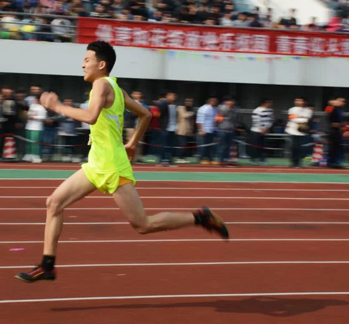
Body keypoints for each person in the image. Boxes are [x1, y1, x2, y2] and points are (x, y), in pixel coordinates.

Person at [15, 41, 229, 283]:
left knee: (143, 225)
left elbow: (91, 116)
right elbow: (145, 114)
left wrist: (57, 106)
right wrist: (133, 143)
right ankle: (47, 265)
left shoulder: (101, 84)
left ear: (101, 64)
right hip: (97, 164)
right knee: (54, 203)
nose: (83, 64)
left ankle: (201, 217)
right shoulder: (116, 88)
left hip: (112, 166)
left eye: (87, 60)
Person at [286, 97, 312, 168]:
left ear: (304, 102)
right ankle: (294, 162)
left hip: (302, 131)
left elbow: (306, 120)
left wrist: (298, 118)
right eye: (296, 100)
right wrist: (301, 118)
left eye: (300, 101)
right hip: (292, 130)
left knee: (302, 148)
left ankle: (300, 162)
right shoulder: (291, 109)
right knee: (294, 147)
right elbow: (292, 118)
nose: (297, 102)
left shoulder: (308, 110)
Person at [250, 98, 274, 165]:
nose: (271, 104)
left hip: (266, 131)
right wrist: (261, 128)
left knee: (263, 146)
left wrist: (267, 128)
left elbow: (271, 120)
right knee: (255, 145)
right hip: (256, 130)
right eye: (269, 102)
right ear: (264, 103)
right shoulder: (257, 110)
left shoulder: (270, 110)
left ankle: (262, 159)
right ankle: (253, 158)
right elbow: (256, 120)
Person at [216, 96, 239, 166]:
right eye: (230, 101)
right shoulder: (222, 108)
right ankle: (221, 160)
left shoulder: (235, 109)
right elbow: (218, 119)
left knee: (229, 146)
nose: (232, 102)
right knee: (223, 146)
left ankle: (227, 159)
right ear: (226, 102)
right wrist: (219, 126)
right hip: (223, 129)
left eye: (233, 101)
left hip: (231, 129)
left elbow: (235, 119)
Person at [196, 97, 218, 165]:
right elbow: (199, 120)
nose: (216, 102)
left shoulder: (214, 109)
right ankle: (201, 159)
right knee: (203, 146)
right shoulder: (203, 108)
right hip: (204, 130)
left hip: (211, 130)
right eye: (214, 101)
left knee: (210, 146)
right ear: (210, 101)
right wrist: (200, 130)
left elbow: (214, 119)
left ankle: (210, 159)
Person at [158, 92, 178, 165]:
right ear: (167, 96)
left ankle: (170, 159)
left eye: (174, 96)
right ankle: (162, 159)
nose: (173, 97)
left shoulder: (176, 106)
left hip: (173, 128)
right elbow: (160, 109)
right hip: (165, 127)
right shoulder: (163, 104)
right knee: (163, 144)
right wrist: (165, 101)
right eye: (171, 96)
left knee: (171, 145)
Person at [327, 97, 346, 169]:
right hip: (333, 130)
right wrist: (330, 104)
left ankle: (336, 161)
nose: (341, 103)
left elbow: (341, 121)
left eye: (343, 101)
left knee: (338, 146)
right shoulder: (331, 108)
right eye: (339, 101)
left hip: (338, 130)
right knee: (333, 147)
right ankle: (331, 162)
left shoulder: (340, 110)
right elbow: (328, 117)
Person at [176, 98, 195, 163]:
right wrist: (192, 113)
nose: (189, 103)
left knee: (186, 145)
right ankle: (179, 158)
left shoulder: (191, 109)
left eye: (190, 101)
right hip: (180, 130)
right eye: (187, 101)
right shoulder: (180, 108)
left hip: (188, 131)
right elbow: (184, 116)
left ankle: (183, 158)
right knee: (182, 145)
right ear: (184, 102)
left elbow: (191, 121)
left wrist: (191, 130)